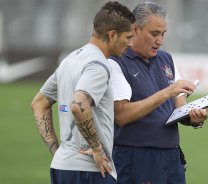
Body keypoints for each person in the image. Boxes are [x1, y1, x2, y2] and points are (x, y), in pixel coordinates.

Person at [30, 1, 135, 184]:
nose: (131, 44)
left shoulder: (70, 59)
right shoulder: (98, 65)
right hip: (90, 171)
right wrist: (96, 149)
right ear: (112, 35)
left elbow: (39, 103)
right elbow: (79, 105)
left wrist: (57, 150)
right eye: (128, 37)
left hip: (62, 166)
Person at [109, 2, 208, 184]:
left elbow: (180, 106)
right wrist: (166, 93)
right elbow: (121, 115)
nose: (160, 41)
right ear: (135, 29)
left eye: (163, 34)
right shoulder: (116, 62)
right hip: (137, 157)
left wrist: (193, 118)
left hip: (171, 156)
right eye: (154, 34)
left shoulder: (166, 59)